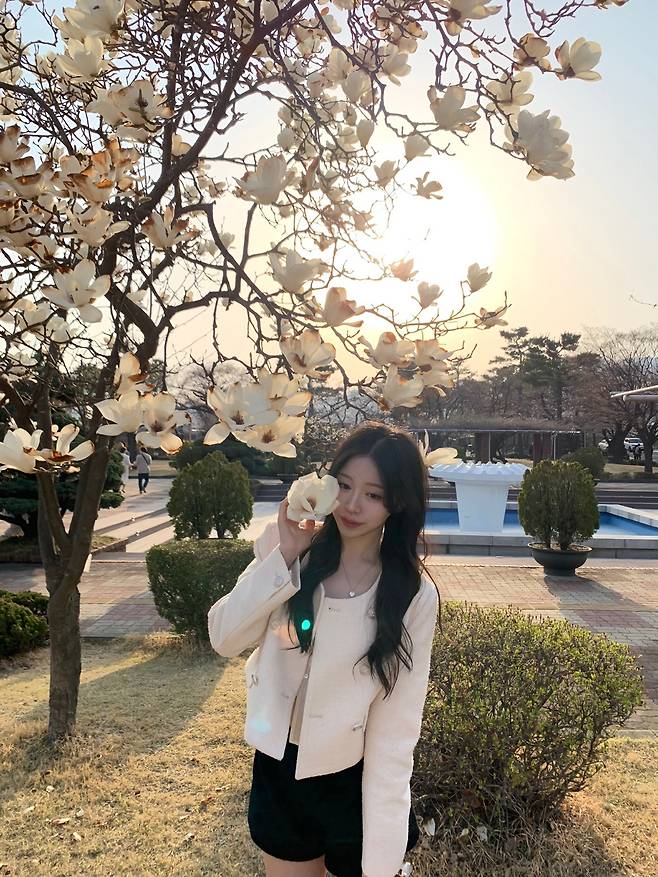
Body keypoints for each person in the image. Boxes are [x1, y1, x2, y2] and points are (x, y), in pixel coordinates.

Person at [208, 421, 441, 877]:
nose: (353, 505)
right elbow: (224, 637)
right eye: (346, 485)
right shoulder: (289, 550)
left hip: (352, 781)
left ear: (398, 502)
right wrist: (286, 555)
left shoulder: (411, 594)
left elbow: (397, 725)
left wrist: (384, 848)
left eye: (374, 494)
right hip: (280, 770)